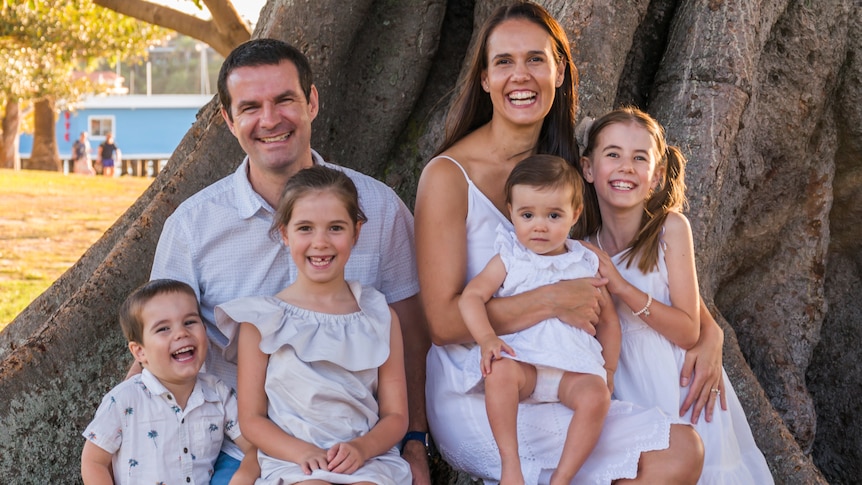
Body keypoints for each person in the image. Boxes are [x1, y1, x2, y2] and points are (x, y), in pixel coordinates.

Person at [415, 2, 715, 483]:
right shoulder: (449, 177)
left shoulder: (568, 174)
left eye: (536, 59)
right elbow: (444, 324)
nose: (521, 75)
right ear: (485, 80)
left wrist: (709, 331)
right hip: (482, 383)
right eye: (504, 62)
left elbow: (633, 255)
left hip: (566, 376)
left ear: (559, 72)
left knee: (681, 451)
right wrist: (553, 300)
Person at [148, 38, 431, 485]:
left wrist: (415, 441)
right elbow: (156, 341)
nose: (270, 120)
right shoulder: (193, 226)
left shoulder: (379, 207)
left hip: (360, 449)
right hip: (232, 447)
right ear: (227, 119)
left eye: (284, 100)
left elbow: (414, 336)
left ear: (312, 101)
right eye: (250, 107)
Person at [575, 107, 773, 484]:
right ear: (588, 169)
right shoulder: (581, 249)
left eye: (639, 158)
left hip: (683, 388)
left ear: (657, 176)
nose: (626, 167)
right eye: (612, 154)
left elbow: (688, 331)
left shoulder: (669, 229)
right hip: (626, 393)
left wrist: (620, 286)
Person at [216, 165, 412, 484]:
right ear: (284, 233)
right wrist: (302, 453)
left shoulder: (380, 316)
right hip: (293, 461)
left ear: (356, 231)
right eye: (305, 228)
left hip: (367, 459)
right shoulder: (261, 320)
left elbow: (396, 415)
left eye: (335, 228)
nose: (320, 243)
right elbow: (252, 419)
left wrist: (362, 448)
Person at [459, 154, 620, 485]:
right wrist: (487, 338)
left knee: (597, 396)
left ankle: (562, 477)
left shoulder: (585, 261)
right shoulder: (509, 257)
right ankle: (511, 466)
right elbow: (471, 297)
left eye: (554, 215)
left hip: (571, 371)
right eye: (527, 214)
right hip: (526, 365)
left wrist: (610, 370)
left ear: (575, 214)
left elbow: (609, 322)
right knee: (499, 372)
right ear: (511, 212)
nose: (540, 225)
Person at [81, 279, 256, 485]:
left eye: (190, 322)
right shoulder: (123, 400)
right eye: (163, 328)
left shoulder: (217, 393)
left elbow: (253, 445)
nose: (181, 333)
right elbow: (94, 461)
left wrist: (245, 474)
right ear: (140, 351)